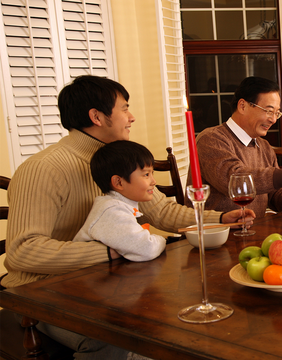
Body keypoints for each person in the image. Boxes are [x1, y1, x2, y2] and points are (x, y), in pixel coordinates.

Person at [2, 75, 255, 360]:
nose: (132, 117)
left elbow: (163, 211)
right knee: (121, 336)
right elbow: (23, 252)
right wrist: (113, 251)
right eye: (124, 108)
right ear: (97, 116)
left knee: (182, 317)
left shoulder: (119, 160)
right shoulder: (43, 169)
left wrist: (220, 219)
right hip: (41, 296)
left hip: (104, 284)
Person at [190, 76, 282, 217]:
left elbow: (275, 197)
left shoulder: (263, 146)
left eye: (277, 113)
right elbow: (234, 181)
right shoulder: (211, 139)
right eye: (269, 111)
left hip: (255, 231)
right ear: (242, 106)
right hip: (218, 235)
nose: (273, 119)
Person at [73, 140, 167, 262]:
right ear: (119, 182)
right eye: (146, 175)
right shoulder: (112, 211)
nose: (153, 181)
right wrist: (163, 240)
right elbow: (146, 249)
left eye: (152, 173)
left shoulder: (121, 206)